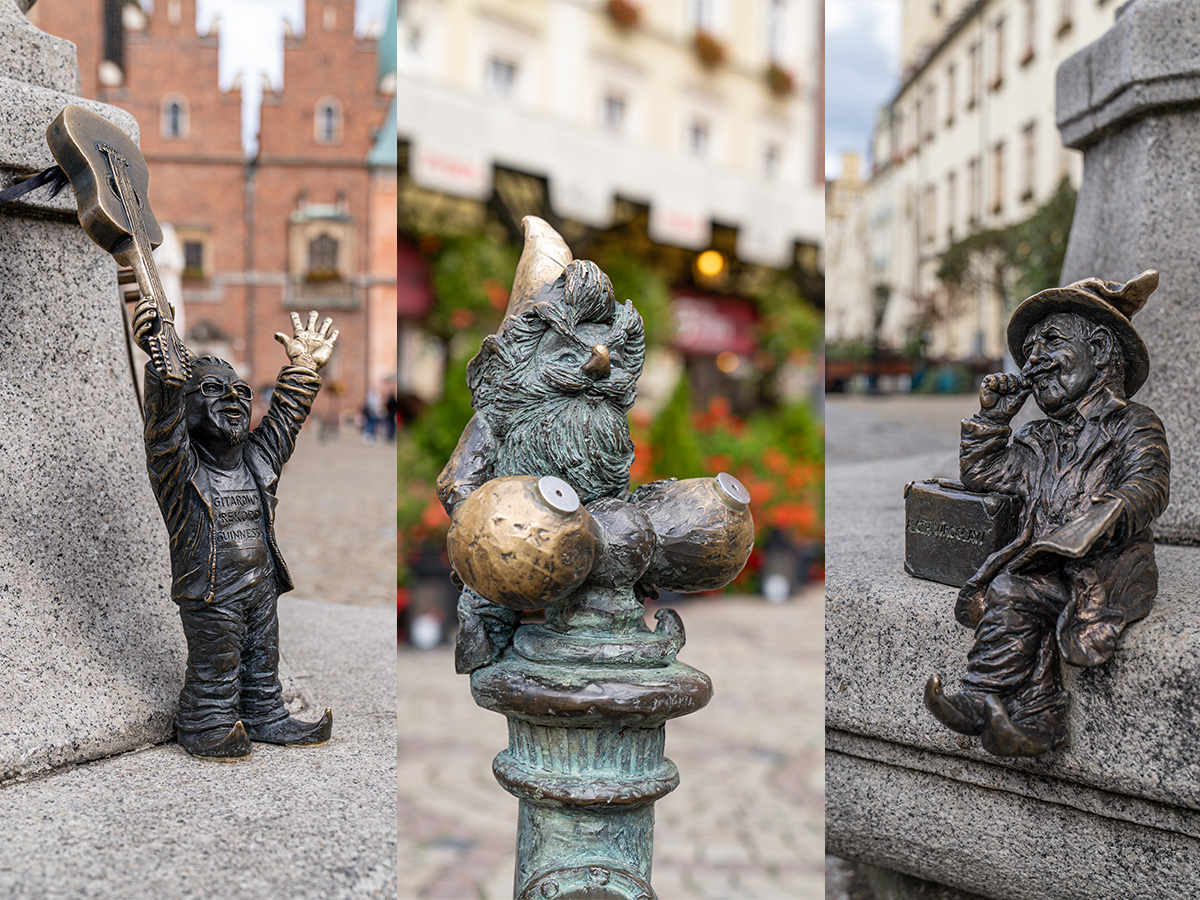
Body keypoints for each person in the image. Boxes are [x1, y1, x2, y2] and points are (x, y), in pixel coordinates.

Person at [925, 271, 1169, 757]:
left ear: (1099, 349)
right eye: (1029, 349)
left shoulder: (1134, 423)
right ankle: (1028, 716)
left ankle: (991, 698)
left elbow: (1150, 485)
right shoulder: (1039, 437)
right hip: (1045, 564)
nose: (1033, 361)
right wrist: (995, 418)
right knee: (1018, 590)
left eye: (1050, 343)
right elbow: (986, 475)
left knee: (1018, 591)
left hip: (1104, 568)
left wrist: (1101, 520)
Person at [133, 302, 339, 760]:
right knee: (217, 662)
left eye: (242, 391)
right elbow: (162, 429)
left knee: (263, 658)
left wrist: (303, 366)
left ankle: (266, 714)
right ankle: (205, 724)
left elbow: (285, 418)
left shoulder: (257, 458)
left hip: (260, 583)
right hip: (212, 589)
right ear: (185, 409)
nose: (233, 398)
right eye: (211, 389)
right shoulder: (180, 469)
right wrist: (162, 363)